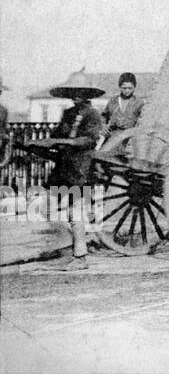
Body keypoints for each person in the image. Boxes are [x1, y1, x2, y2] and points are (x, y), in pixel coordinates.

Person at [43, 72, 105, 271]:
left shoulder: (93, 115)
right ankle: (74, 247)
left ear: (87, 93)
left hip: (81, 168)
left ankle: (80, 256)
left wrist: (62, 141)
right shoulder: (68, 114)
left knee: (74, 210)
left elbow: (89, 140)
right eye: (72, 92)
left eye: (80, 92)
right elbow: (57, 135)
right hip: (64, 167)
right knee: (47, 209)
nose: (75, 95)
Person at [102, 72, 145, 139]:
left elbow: (142, 123)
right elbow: (104, 116)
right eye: (124, 88)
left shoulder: (139, 103)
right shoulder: (113, 101)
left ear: (134, 87)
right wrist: (104, 127)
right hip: (112, 137)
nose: (127, 91)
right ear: (120, 87)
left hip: (130, 138)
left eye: (130, 88)